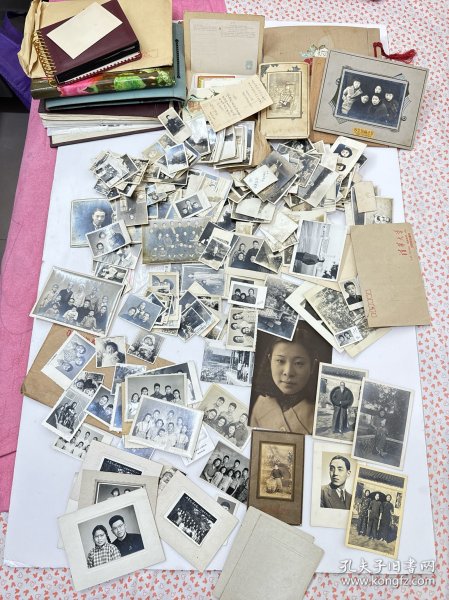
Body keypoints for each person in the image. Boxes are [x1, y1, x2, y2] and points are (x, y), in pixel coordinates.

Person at [249, 327, 323, 434]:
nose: (288, 372)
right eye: (280, 361)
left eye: (299, 363)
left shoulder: (321, 414)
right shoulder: (261, 403)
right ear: (270, 361)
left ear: (312, 366)